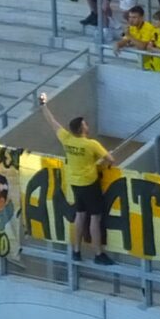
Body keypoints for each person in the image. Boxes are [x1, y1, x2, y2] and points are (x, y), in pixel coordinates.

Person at [38, 93, 113, 265]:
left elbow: (52, 122)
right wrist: (100, 160)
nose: (87, 125)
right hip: (89, 183)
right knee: (95, 217)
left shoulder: (66, 138)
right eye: (85, 124)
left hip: (75, 183)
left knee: (80, 215)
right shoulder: (91, 144)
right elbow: (110, 160)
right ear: (82, 129)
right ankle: (98, 254)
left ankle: (76, 251)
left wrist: (43, 106)